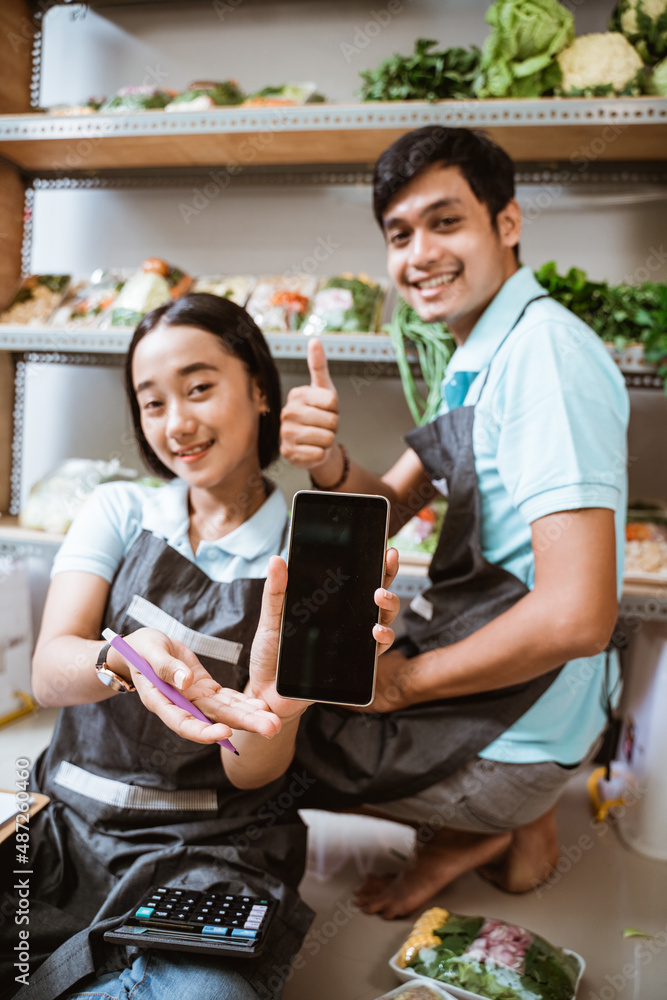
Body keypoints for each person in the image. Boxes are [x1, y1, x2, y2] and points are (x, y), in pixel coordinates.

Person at [0, 290, 400, 999]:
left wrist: (281, 710)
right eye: (152, 403)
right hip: (66, 829)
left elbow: (252, 774)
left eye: (199, 388)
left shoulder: (304, 555)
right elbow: (52, 668)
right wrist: (118, 656)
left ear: (258, 389)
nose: (176, 423)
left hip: (208, 850)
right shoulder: (120, 510)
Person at [280, 125, 629, 919]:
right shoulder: (484, 352)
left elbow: (579, 614)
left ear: (505, 224)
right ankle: (513, 830)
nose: (419, 254)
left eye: (446, 222)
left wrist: (399, 686)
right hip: (526, 691)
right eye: (399, 235)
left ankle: (485, 820)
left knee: (271, 748)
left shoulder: (544, 358)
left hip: (523, 718)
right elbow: (390, 507)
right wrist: (326, 459)